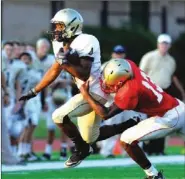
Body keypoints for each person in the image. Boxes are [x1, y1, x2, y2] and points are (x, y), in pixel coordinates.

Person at [19, 8, 140, 168]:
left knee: (58, 116)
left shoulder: (87, 40)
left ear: (72, 26)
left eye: (60, 26)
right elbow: (55, 69)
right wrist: (35, 91)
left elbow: (83, 73)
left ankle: (81, 149)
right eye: (55, 26)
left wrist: (65, 62)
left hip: (96, 91)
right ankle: (127, 125)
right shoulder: (59, 43)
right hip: (86, 90)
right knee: (90, 136)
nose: (56, 30)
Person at [79, 58, 185, 179]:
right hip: (179, 106)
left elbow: (105, 114)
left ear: (122, 80)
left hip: (169, 117)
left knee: (126, 140)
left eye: (113, 83)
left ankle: (153, 175)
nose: (108, 85)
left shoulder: (129, 90)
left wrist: (86, 95)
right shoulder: (130, 66)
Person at [139, 34, 185, 155]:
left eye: (166, 44)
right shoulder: (149, 57)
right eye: (162, 43)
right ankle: (147, 148)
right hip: (150, 92)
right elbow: (140, 74)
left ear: (169, 46)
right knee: (150, 121)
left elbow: (171, 78)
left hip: (164, 93)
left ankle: (159, 149)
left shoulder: (171, 61)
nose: (164, 46)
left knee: (164, 121)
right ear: (158, 44)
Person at [100, 45, 146, 158]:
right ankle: (107, 151)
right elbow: (99, 83)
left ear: (124, 54)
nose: (118, 55)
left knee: (130, 126)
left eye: (121, 53)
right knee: (111, 126)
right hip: (112, 100)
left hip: (128, 100)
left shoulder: (130, 66)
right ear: (112, 54)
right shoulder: (105, 66)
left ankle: (129, 150)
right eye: (117, 53)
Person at [17, 52, 42, 161]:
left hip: (34, 100)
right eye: (23, 59)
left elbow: (41, 85)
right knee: (25, 127)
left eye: (27, 59)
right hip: (23, 101)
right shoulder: (17, 72)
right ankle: (20, 151)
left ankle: (26, 151)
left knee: (33, 125)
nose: (25, 61)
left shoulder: (34, 73)